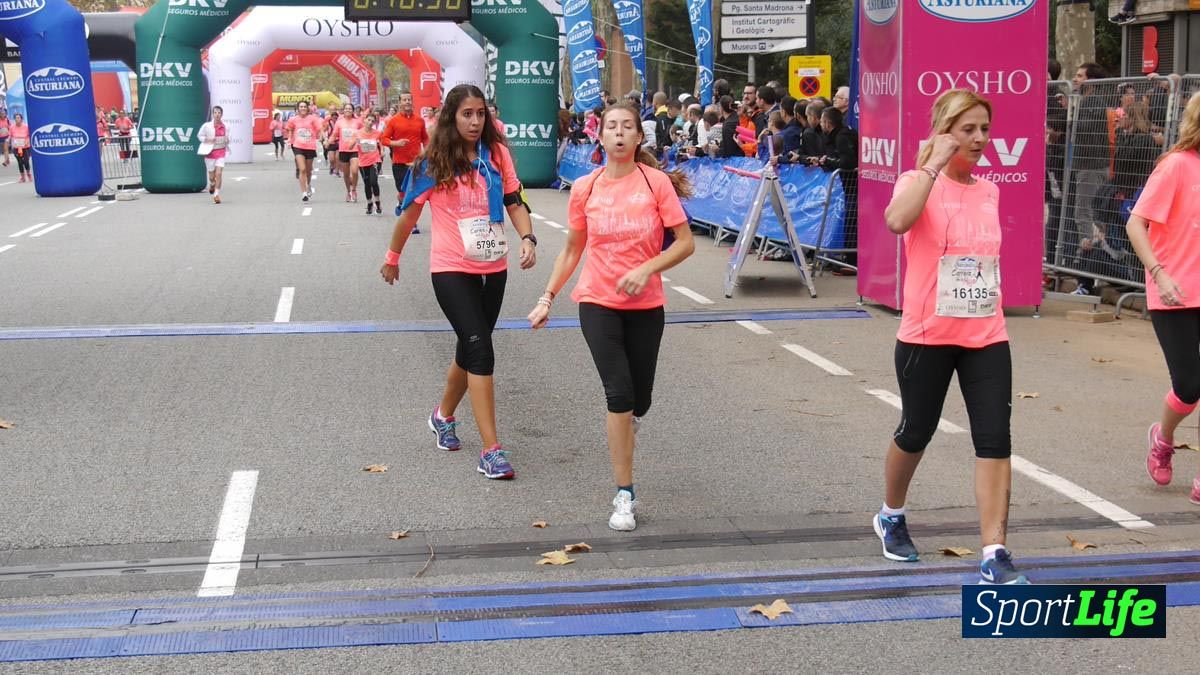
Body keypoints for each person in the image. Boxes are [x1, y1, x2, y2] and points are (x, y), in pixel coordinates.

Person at [876, 89, 1027, 585]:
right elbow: (896, 221)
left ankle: (994, 551)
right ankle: (891, 514)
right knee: (916, 430)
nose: (980, 138)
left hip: (987, 333)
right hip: (927, 334)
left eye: (985, 129)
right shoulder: (917, 181)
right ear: (944, 132)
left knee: (995, 438)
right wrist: (932, 165)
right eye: (968, 129)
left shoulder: (989, 190)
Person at [527, 102, 695, 531]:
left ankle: (628, 422)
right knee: (618, 395)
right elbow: (573, 249)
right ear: (600, 136)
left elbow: (684, 243)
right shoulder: (586, 188)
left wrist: (647, 268)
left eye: (626, 127)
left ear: (638, 137)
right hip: (597, 301)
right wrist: (547, 297)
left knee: (640, 401)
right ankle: (625, 494)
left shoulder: (655, 183)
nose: (618, 133)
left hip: (646, 306)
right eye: (611, 127)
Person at [379, 84, 537, 480]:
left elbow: (513, 200)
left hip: (493, 267)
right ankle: (491, 451)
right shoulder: (433, 162)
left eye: (481, 114)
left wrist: (528, 237)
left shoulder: (496, 154)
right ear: (452, 117)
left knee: (470, 349)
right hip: (451, 268)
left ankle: (443, 416)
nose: (475, 121)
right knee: (481, 351)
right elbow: (408, 216)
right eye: (467, 114)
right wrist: (392, 259)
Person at [1127, 93, 1200, 500]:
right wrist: (1159, 274)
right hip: (1175, 292)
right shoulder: (1176, 165)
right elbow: (1135, 224)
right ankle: (1163, 437)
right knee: (1189, 386)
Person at [381, 92, 429, 227]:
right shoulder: (393, 121)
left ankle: (412, 222)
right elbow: (384, 139)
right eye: (404, 100)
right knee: (402, 193)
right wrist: (396, 143)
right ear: (399, 103)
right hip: (399, 163)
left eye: (409, 99)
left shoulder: (419, 120)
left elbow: (425, 138)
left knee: (412, 192)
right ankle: (401, 202)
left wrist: (428, 152)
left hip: (415, 163)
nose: (407, 102)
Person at [285, 100, 325, 202]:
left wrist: (322, 137)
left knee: (308, 170)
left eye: (304, 107)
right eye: (301, 107)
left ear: (307, 108)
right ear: (298, 109)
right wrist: (289, 139)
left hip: (310, 146)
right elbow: (290, 129)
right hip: (298, 146)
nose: (303, 108)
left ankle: (308, 184)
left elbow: (320, 129)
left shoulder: (313, 119)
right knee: (302, 169)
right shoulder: (293, 119)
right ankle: (303, 193)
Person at [354, 111, 384, 215]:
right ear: (364, 120)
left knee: (374, 182)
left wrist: (382, 151)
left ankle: (377, 202)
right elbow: (350, 146)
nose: (370, 122)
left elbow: (381, 144)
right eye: (369, 120)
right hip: (363, 162)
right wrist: (356, 141)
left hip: (375, 160)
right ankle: (369, 203)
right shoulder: (358, 133)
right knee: (367, 183)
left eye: (373, 121)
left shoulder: (377, 133)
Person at [197, 106, 229, 204]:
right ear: (213, 114)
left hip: (221, 152)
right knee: (211, 176)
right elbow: (199, 136)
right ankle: (212, 184)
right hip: (210, 153)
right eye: (215, 112)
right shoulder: (207, 126)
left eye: (219, 113)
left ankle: (216, 195)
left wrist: (227, 140)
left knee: (218, 173)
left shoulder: (226, 126)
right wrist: (208, 140)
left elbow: (228, 138)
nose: (217, 114)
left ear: (222, 114)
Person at [334, 103, 363, 202]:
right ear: (343, 110)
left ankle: (354, 189)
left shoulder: (358, 122)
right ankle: (348, 191)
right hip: (343, 150)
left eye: (350, 109)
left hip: (355, 150)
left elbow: (363, 132)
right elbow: (334, 134)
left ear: (353, 111)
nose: (348, 110)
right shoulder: (339, 122)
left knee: (354, 171)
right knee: (346, 174)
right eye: (346, 108)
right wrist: (328, 141)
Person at [8, 113, 30, 182]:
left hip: (25, 147)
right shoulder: (12, 127)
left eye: (18, 118)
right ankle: (23, 177)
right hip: (16, 147)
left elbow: (29, 135)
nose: (17, 119)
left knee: (26, 161)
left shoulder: (26, 127)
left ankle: (28, 174)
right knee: (20, 162)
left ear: (21, 119)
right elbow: (10, 135)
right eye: (15, 118)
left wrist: (27, 141)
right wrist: (8, 140)